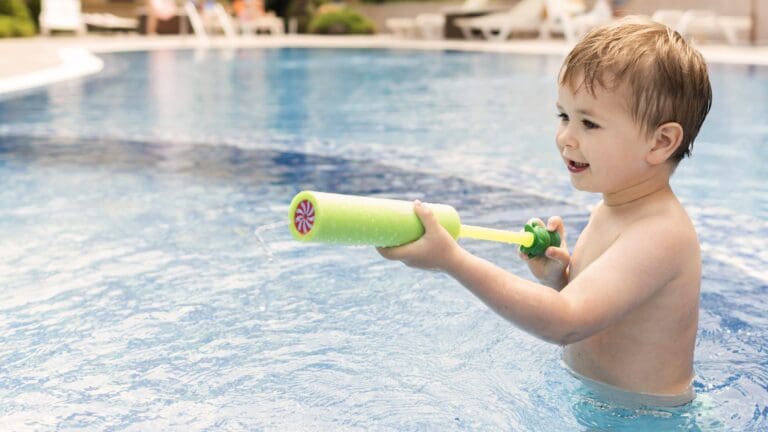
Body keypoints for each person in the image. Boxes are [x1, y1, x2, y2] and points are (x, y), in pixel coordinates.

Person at [378, 16, 712, 408]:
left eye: (589, 123)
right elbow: (592, 308)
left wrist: (452, 260)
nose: (566, 137)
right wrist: (561, 279)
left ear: (661, 142)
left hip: (649, 419)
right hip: (602, 404)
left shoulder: (659, 234)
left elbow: (565, 322)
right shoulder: (612, 210)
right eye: (564, 116)